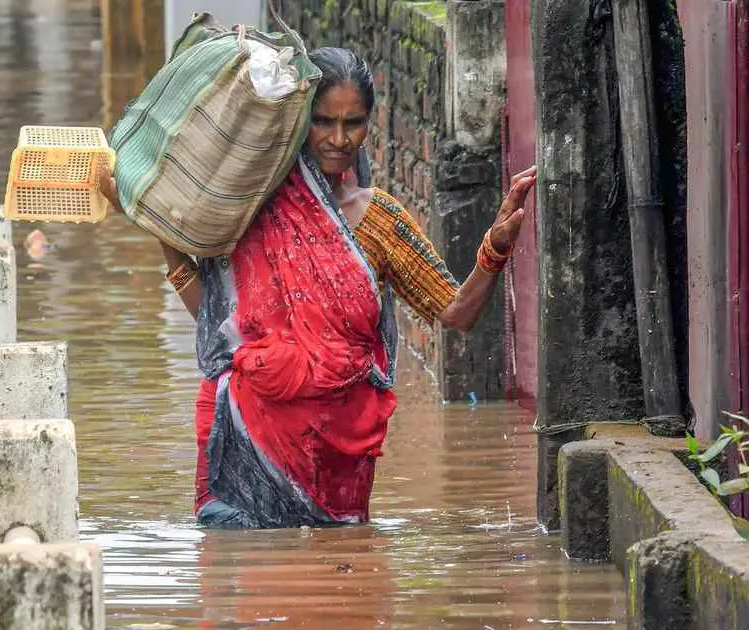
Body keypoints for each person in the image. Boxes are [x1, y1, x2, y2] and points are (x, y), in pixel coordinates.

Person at [103, 47, 536, 529]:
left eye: (353, 122)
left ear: (370, 123)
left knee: (342, 583)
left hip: (339, 451)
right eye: (323, 121)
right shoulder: (250, 207)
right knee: (239, 577)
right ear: (296, 123)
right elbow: (217, 319)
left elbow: (457, 313)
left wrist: (494, 248)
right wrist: (160, 230)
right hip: (246, 431)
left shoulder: (380, 219)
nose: (337, 138)